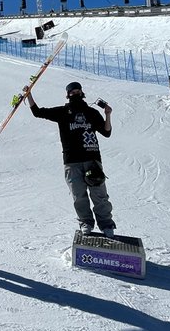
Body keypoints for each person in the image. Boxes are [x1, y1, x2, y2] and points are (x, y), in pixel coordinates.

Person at [25, 79, 117, 236]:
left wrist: (108, 114)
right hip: (71, 161)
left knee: (99, 194)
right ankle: (86, 223)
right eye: (72, 92)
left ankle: (106, 224)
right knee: (78, 196)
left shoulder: (91, 112)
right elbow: (38, 112)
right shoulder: (62, 112)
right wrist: (29, 95)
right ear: (67, 95)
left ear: (82, 93)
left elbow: (106, 132)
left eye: (78, 91)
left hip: (92, 159)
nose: (75, 93)